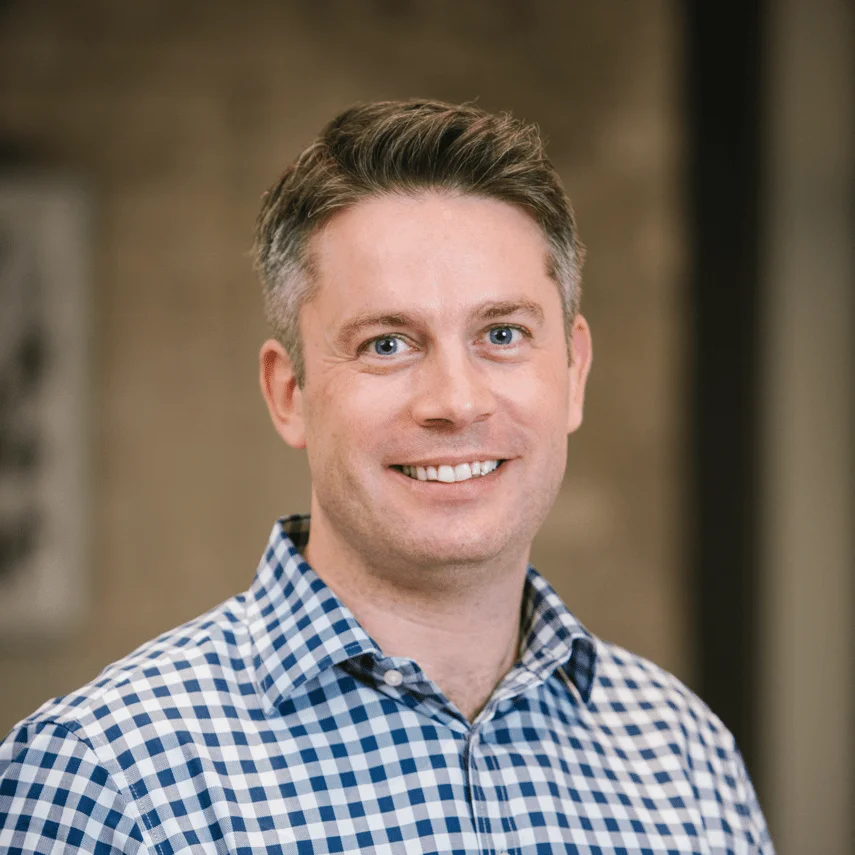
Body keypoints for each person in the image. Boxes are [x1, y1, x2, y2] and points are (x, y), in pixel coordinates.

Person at [0, 99, 774, 854]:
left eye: (501, 334)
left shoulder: (685, 758)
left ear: (572, 371)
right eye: (386, 344)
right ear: (289, 391)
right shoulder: (108, 781)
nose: (455, 401)